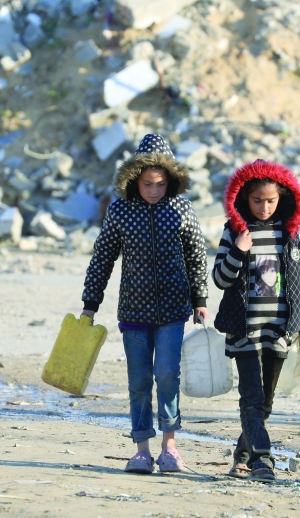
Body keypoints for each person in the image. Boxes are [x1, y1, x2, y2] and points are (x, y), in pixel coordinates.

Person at [80, 134, 209, 475]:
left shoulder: (181, 208)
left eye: (161, 184)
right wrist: (90, 303)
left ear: (171, 181)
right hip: (133, 312)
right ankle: (141, 450)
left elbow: (196, 254)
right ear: (134, 180)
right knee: (139, 382)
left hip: (172, 309)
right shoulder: (120, 210)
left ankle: (169, 448)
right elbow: (103, 257)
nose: (154, 190)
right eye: (148, 184)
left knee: (167, 374)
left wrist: (200, 299)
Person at [213, 160, 300, 482]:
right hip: (244, 330)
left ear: (282, 198)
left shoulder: (289, 235)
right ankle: (263, 459)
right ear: (244, 198)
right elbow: (220, 278)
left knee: (266, 401)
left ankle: (242, 455)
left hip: (279, 330)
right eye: (257, 201)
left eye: (270, 201)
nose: (264, 207)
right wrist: (239, 251)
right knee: (252, 398)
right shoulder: (235, 232)